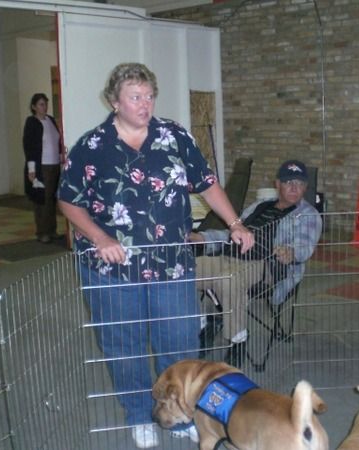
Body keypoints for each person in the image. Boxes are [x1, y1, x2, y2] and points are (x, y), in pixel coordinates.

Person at [57, 63, 253, 449]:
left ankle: (179, 414)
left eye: (149, 96)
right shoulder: (92, 146)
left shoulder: (174, 136)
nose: (145, 104)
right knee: (123, 343)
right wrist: (99, 237)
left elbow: (206, 183)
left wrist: (235, 223)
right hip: (111, 268)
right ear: (114, 102)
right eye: (135, 97)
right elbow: (68, 200)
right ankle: (137, 413)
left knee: (178, 340)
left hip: (171, 263)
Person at [189, 159, 322, 368]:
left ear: (305, 187)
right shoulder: (259, 206)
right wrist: (202, 237)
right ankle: (206, 323)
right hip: (229, 256)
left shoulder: (308, 215)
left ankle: (238, 340)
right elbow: (232, 233)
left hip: (267, 266)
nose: (294, 188)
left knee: (228, 281)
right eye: (288, 182)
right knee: (186, 272)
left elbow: (305, 246)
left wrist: (291, 252)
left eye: (300, 183)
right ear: (277, 184)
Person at [22, 93, 63, 243]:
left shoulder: (50, 120)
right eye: (41, 104)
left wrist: (61, 156)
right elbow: (29, 146)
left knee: (52, 199)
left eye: (45, 104)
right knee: (42, 200)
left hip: (54, 164)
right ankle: (42, 232)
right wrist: (31, 169)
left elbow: (57, 141)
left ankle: (52, 230)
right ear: (34, 107)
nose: (44, 107)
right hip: (42, 166)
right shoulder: (32, 122)